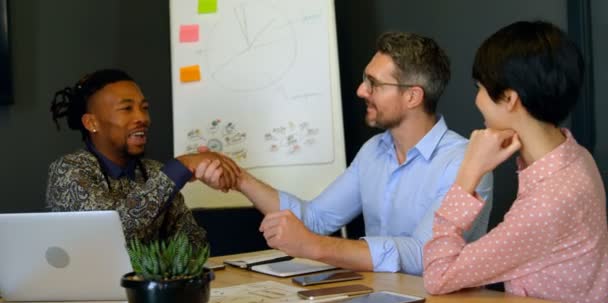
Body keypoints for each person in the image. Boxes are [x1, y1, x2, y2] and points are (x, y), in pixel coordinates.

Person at [196, 32, 493, 274]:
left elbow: (423, 254)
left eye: (373, 84)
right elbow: (314, 219)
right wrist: (238, 178)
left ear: (412, 96)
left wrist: (316, 247)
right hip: (381, 300)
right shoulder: (373, 152)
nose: (361, 91)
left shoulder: (464, 162)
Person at [423, 21, 608, 303]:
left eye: (480, 88)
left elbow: (438, 275)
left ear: (509, 98)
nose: (477, 99)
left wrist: (468, 173)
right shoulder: (575, 155)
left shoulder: (546, 204)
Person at [46, 69, 239, 249]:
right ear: (92, 123)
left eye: (144, 108)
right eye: (127, 109)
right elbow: (109, 234)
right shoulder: (69, 170)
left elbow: (193, 243)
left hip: (155, 284)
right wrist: (182, 166)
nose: (143, 118)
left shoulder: (154, 171)